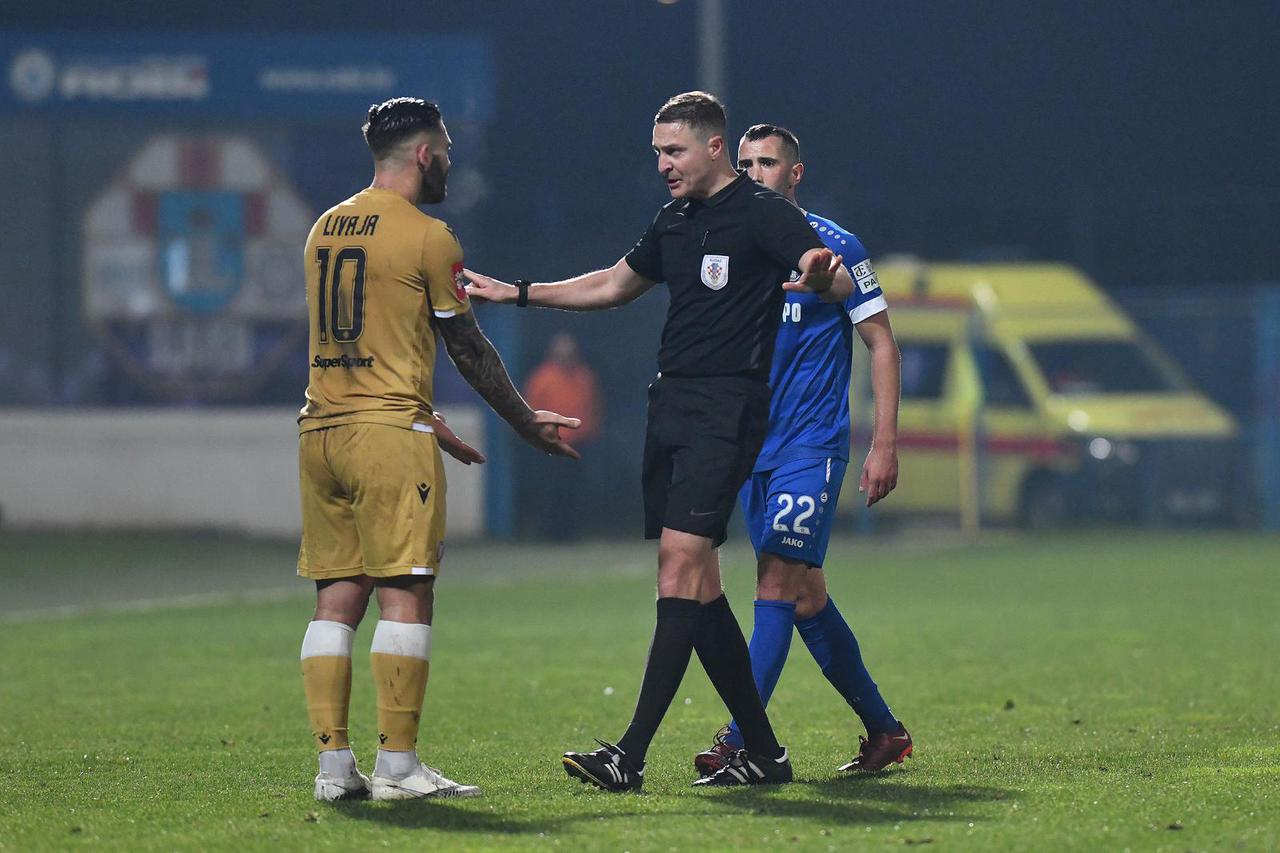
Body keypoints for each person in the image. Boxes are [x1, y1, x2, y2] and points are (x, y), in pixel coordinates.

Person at [464, 91, 857, 790]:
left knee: (678, 568)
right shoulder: (674, 220)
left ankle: (629, 755)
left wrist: (823, 273)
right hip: (671, 405)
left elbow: (826, 271)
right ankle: (765, 754)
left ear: (714, 146)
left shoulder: (763, 211)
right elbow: (613, 284)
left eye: (674, 151)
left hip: (727, 410)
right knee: (699, 589)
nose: (663, 165)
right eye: (657, 153)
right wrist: (517, 292)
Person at [296, 97, 580, 803]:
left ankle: (334, 770)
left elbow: (362, 341)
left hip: (321, 431)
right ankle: (398, 766)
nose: (450, 161)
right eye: (446, 150)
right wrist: (521, 420)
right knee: (407, 594)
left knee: (337, 600)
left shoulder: (324, 227)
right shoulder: (428, 236)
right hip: (389, 437)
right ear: (425, 154)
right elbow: (469, 348)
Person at [692, 124, 912, 778]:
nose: (754, 173)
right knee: (807, 596)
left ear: (795, 174)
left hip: (810, 445)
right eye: (745, 163)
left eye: (767, 163)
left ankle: (741, 739)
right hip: (750, 448)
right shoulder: (728, 243)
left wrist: (884, 442)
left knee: (775, 582)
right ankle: (885, 731)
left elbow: (881, 342)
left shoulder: (836, 246)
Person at [523, 332, 603, 539]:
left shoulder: (585, 377)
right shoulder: (542, 378)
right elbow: (530, 410)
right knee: (551, 489)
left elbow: (592, 407)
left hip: (578, 445)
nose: (565, 355)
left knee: (574, 489)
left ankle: (571, 531)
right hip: (549, 445)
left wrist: (592, 433)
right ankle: (551, 531)